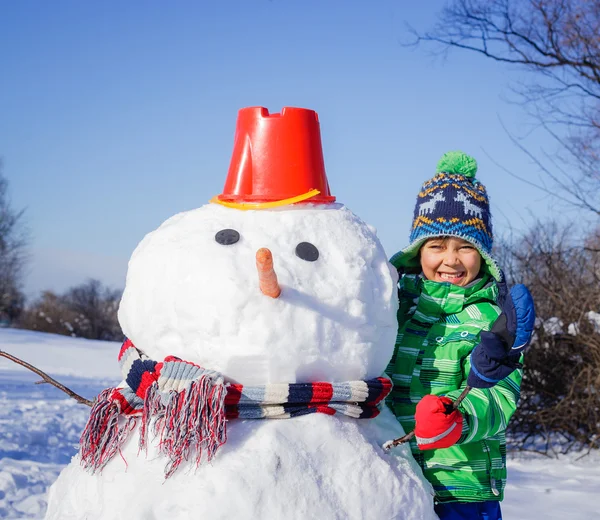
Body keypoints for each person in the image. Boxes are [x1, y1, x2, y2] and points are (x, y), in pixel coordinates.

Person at [386, 151, 528, 520]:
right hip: (393, 478)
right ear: (418, 252)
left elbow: (499, 396)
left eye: (465, 247)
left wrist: (458, 417)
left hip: (463, 489)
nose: (450, 259)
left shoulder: (492, 320)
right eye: (437, 246)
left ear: (483, 255)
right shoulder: (392, 308)